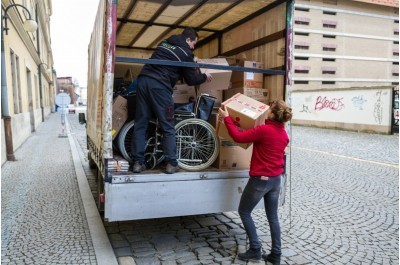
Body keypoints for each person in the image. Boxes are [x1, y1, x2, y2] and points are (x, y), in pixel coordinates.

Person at [218, 100, 292, 264]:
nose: (266, 110)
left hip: (260, 181)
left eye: (269, 108)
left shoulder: (264, 130)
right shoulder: (284, 134)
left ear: (272, 114)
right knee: (273, 217)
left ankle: (255, 249)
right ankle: (276, 254)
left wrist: (227, 119)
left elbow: (238, 137)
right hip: (275, 180)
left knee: (244, 212)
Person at [132, 27, 212, 174]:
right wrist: (205, 76)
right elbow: (191, 79)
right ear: (189, 40)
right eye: (194, 43)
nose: (193, 47)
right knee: (167, 125)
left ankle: (137, 163)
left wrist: (192, 60)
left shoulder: (164, 43)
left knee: (141, 123)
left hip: (143, 81)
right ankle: (171, 163)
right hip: (160, 87)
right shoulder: (186, 53)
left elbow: (172, 57)